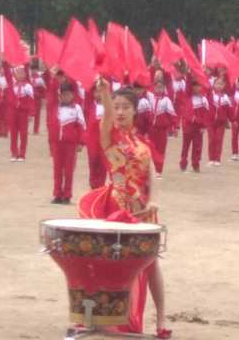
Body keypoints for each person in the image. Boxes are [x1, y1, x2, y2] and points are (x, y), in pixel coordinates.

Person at [78, 80, 171, 339]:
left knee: (152, 265)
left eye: (125, 107)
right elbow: (107, 116)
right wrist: (105, 93)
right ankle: (102, 316)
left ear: (135, 111)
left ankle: (161, 321)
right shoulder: (108, 136)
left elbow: (153, 177)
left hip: (143, 211)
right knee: (108, 263)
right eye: (116, 107)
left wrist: (153, 200)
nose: (119, 112)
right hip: (116, 209)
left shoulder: (143, 145)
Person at [48, 74, 86, 204]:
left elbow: (82, 126)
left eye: (68, 94)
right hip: (57, 144)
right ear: (60, 96)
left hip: (70, 144)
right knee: (57, 170)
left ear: (73, 95)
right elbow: (51, 91)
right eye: (63, 95)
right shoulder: (55, 107)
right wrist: (53, 77)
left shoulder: (77, 108)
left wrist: (81, 142)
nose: (66, 97)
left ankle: (67, 194)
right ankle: (57, 194)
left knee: (69, 170)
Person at [3, 62, 34, 161]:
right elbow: (7, 74)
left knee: (23, 133)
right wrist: (5, 62)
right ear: (14, 74)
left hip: (23, 113)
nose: (20, 75)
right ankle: (14, 153)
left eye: (22, 73)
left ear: (25, 74)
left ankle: (22, 154)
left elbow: (31, 101)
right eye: (18, 73)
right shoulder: (12, 85)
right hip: (13, 112)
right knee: (13, 133)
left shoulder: (28, 86)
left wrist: (31, 114)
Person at [180, 77, 209, 173]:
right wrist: (189, 73)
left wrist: (203, 126)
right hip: (188, 127)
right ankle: (183, 164)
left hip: (198, 128)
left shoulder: (204, 99)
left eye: (198, 86)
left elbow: (206, 114)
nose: (196, 88)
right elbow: (187, 114)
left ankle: (196, 165)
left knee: (197, 147)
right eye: (194, 86)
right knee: (185, 147)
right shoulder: (188, 97)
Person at [149, 80, 177, 178]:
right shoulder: (150, 98)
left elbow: (172, 114)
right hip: (151, 129)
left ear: (164, 88)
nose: (158, 89)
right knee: (150, 149)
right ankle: (151, 169)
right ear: (153, 88)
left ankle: (159, 170)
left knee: (160, 150)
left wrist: (174, 127)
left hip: (161, 130)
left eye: (161, 87)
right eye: (157, 87)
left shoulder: (166, 100)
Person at [84, 84, 107, 190]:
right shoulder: (90, 106)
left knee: (103, 166)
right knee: (93, 164)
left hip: (104, 141)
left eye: (100, 92)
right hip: (92, 141)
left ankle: (101, 188)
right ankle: (93, 188)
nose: (98, 94)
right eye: (96, 92)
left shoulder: (109, 108)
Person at [207, 76, 232, 166]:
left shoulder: (225, 97)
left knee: (219, 140)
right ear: (213, 84)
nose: (219, 86)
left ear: (224, 85)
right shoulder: (210, 95)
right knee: (211, 139)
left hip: (221, 122)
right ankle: (211, 158)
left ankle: (217, 159)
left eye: (221, 84)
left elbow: (229, 110)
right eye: (217, 84)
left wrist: (232, 120)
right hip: (210, 121)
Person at [31, 63, 47, 135]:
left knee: (37, 115)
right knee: (28, 114)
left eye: (35, 70)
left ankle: (36, 130)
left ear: (37, 70)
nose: (33, 71)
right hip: (30, 99)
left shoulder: (40, 79)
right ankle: (27, 128)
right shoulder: (29, 78)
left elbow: (43, 90)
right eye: (32, 70)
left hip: (37, 99)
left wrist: (43, 99)